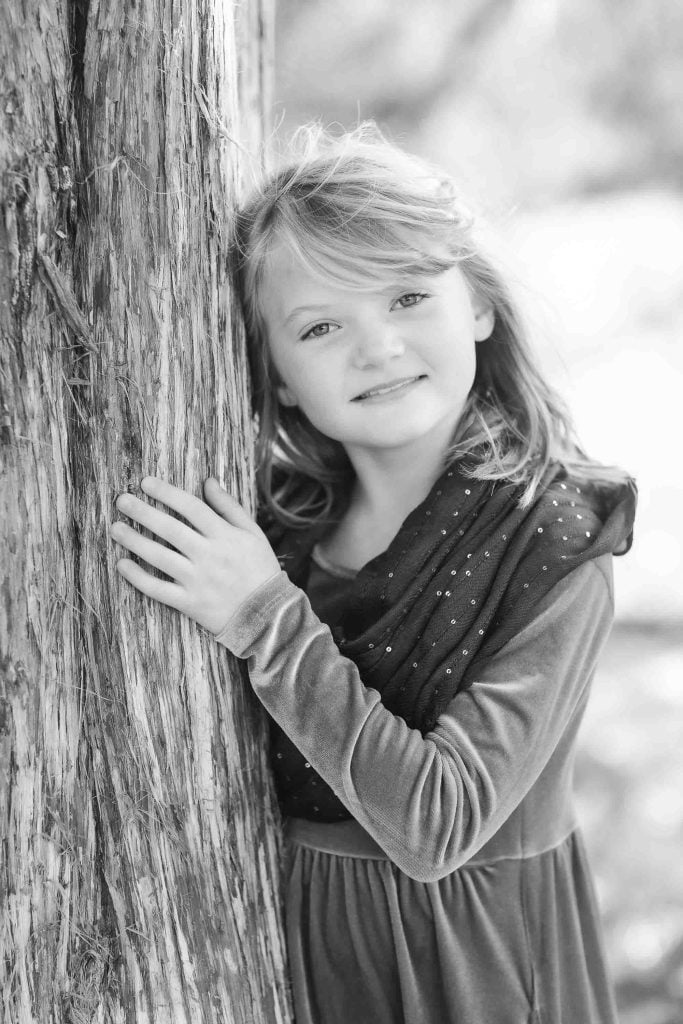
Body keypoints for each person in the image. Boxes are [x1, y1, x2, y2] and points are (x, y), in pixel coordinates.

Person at [110, 124, 637, 1024]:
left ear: (476, 302)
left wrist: (263, 618)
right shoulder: (273, 534)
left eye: (405, 296)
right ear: (272, 375)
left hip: (476, 971)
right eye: (320, 325)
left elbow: (438, 823)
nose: (377, 347)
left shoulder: (550, 541)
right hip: (295, 952)